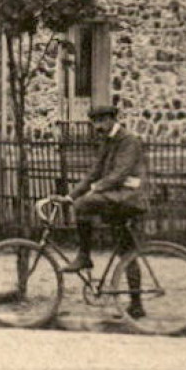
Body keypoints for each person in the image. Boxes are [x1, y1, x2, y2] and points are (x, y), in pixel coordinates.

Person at [63, 106, 149, 301]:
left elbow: (120, 173)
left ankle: (84, 256)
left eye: (102, 121)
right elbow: (94, 172)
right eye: (95, 122)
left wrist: (96, 188)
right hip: (117, 198)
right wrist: (71, 196)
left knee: (83, 205)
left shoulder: (128, 141)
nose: (98, 126)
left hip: (129, 198)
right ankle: (136, 305)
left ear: (112, 119)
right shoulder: (107, 142)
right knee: (126, 253)